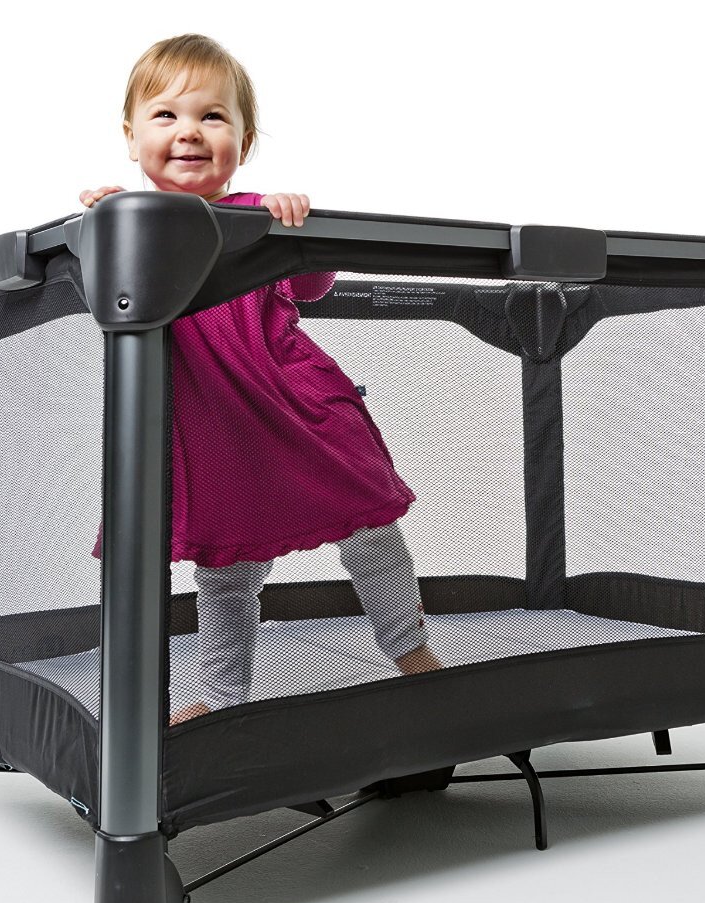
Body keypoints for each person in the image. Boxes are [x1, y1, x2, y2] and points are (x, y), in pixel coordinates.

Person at [83, 34, 445, 723]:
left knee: (370, 531)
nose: (190, 130)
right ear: (131, 138)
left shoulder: (255, 214)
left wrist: (294, 229)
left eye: (213, 116)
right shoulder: (128, 225)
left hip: (301, 410)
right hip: (214, 436)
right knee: (225, 572)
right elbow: (98, 290)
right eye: (166, 115)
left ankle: (412, 652)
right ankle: (222, 701)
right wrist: (99, 222)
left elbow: (311, 285)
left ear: (243, 143)